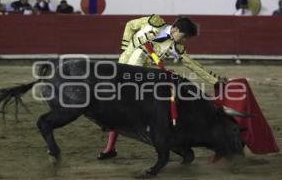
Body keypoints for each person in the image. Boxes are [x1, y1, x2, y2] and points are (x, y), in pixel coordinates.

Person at [97, 14, 227, 160]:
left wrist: (214, 80)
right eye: (184, 37)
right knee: (117, 109)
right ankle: (111, 148)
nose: (184, 41)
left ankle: (113, 147)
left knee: (129, 111)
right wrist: (125, 47)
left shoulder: (176, 47)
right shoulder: (154, 21)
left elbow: (193, 65)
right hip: (122, 67)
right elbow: (130, 25)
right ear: (175, 30)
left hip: (139, 77)